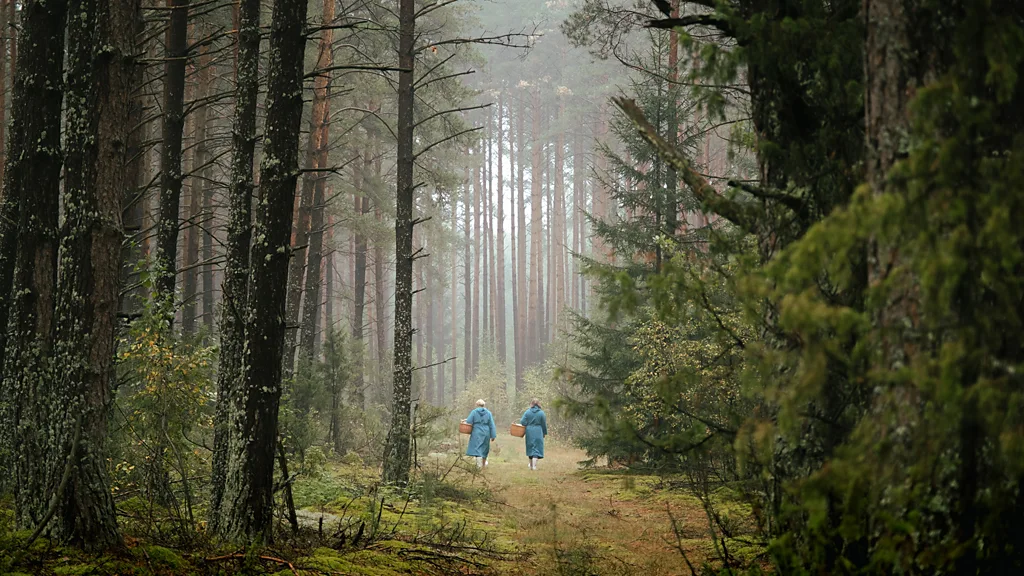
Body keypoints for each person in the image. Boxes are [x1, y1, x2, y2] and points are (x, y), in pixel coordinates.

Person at [465, 399, 496, 468]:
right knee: (485, 448)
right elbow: (492, 424)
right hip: (486, 432)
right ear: (484, 405)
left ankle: (478, 465)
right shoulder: (488, 413)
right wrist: (493, 435)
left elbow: (469, 421)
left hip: (477, 431)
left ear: (477, 405)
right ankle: (484, 465)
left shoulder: (474, 412)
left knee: (477, 447)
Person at [519, 398, 547, 470]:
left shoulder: (527, 412)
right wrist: (544, 432)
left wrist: (528, 424)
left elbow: (522, 421)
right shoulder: (541, 413)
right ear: (538, 404)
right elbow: (544, 424)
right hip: (538, 431)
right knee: (537, 448)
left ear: (531, 404)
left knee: (530, 447)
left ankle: (531, 466)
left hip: (529, 431)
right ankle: (534, 466)